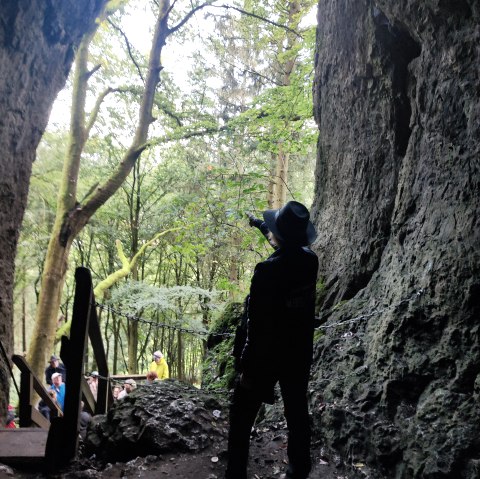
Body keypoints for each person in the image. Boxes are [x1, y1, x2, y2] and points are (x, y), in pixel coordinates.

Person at [226, 201, 319, 479]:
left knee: (241, 415)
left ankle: (235, 473)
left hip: (266, 357)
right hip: (298, 352)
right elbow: (287, 249)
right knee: (297, 412)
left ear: (279, 236)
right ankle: (299, 468)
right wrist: (259, 223)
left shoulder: (266, 271)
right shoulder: (309, 260)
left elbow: (256, 327)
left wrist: (247, 368)